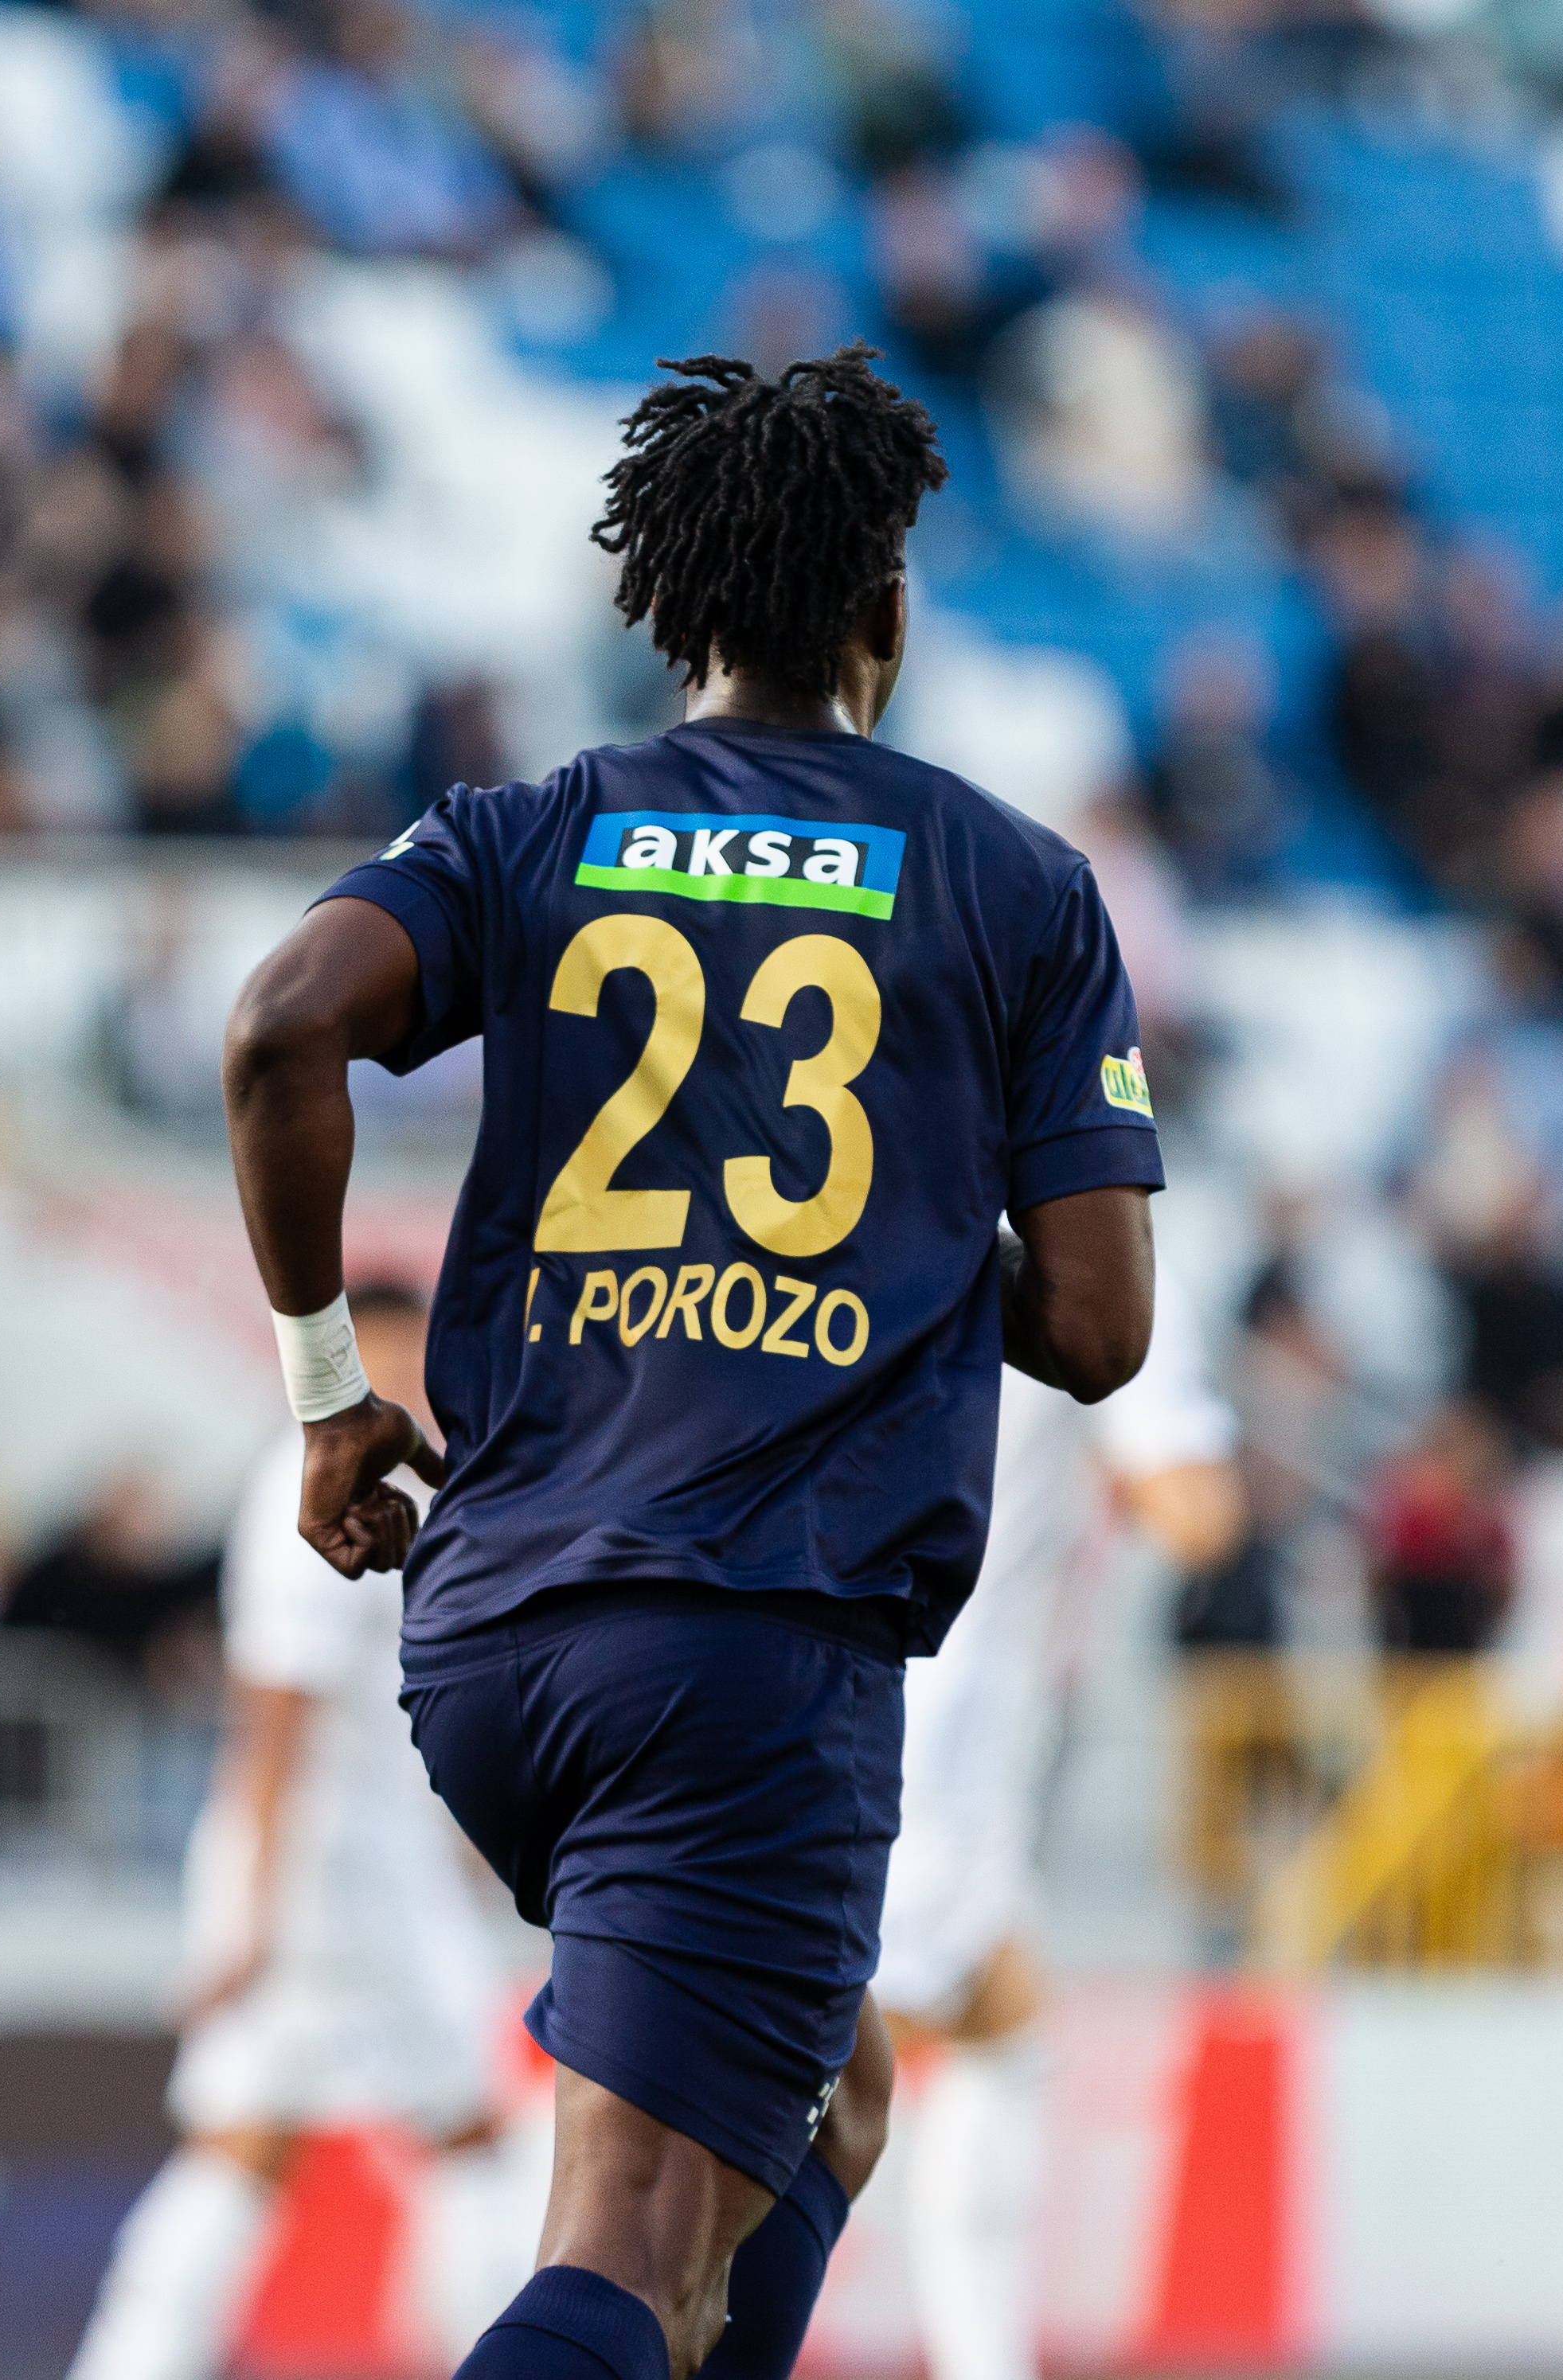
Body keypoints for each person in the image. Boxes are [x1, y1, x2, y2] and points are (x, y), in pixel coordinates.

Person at [221, 342, 1163, 2380]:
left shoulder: (529, 829)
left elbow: (283, 1020)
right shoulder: (1008, 881)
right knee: (631, 2244)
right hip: (743, 1640)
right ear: (885, 605)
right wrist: (903, 1235)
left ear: (670, 610)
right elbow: (1099, 1329)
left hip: (491, 1631)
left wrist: (322, 1393)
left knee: (833, 2099)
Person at [68, 1282, 515, 2380]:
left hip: (350, 1859)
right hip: (337, 1875)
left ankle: (130, 2360)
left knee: (245, 2145)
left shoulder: (390, 1481)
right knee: (470, 2130)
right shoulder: (318, 1487)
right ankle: (510, 2356)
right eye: (390, 1352)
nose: (410, 1375)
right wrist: (252, 1915)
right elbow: (272, 1715)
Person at [873, 1271, 1243, 2380]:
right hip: (945, 1731)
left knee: (999, 2018)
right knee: (820, 2068)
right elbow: (1193, 1511)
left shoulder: (870, 1222)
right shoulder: (1088, 1255)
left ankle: (980, 2361)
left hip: (830, 1692)